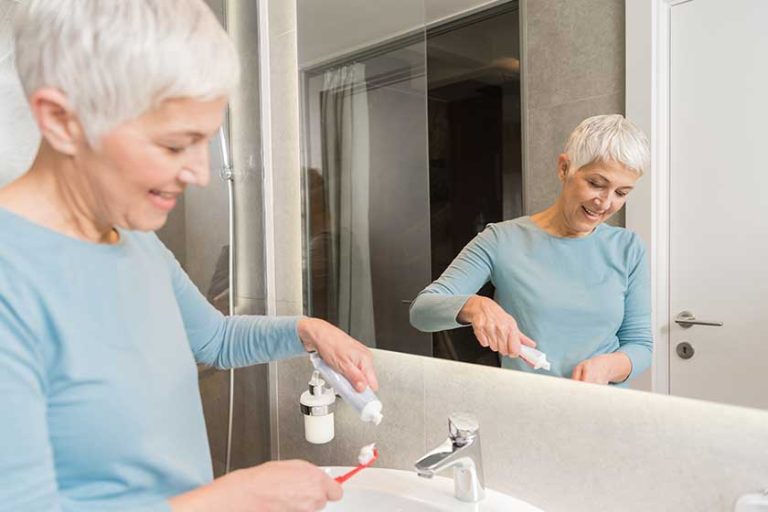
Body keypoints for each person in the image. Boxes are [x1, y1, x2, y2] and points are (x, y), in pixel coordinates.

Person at [0, 1, 377, 511]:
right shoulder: (12, 278)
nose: (200, 173)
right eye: (176, 144)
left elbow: (216, 339)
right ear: (61, 120)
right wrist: (230, 499)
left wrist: (307, 330)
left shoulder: (135, 240)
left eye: (206, 141)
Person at [410, 114, 652, 385]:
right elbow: (422, 311)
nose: (605, 203)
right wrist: (473, 305)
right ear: (564, 168)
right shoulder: (500, 240)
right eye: (596, 183)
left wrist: (610, 366)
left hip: (605, 409)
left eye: (621, 193)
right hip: (528, 406)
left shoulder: (628, 249)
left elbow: (640, 344)